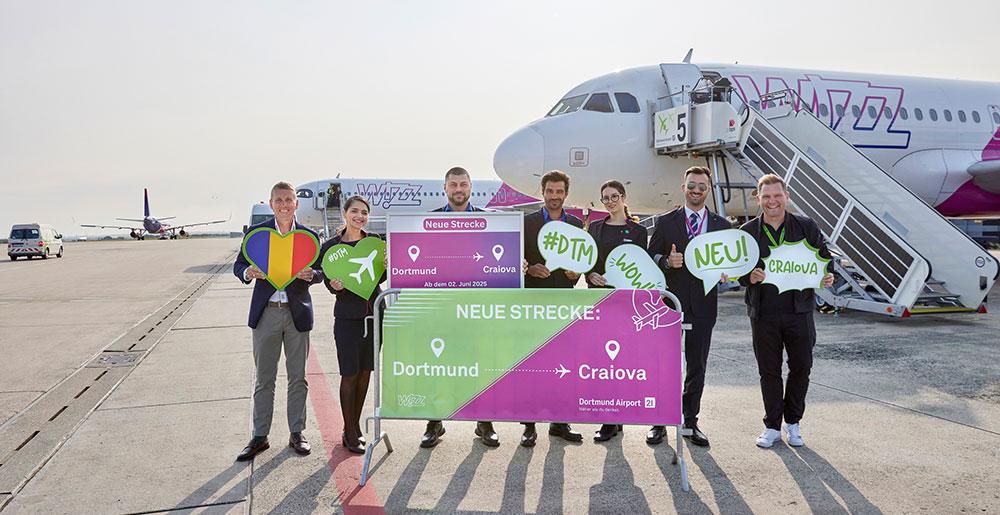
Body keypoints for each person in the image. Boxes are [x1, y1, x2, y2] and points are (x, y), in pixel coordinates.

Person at [739, 173, 834, 448]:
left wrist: (828, 275)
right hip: (763, 312)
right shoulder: (747, 232)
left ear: (787, 196)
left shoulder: (805, 226)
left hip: (799, 311)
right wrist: (749, 277)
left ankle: (793, 422)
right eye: (766, 196)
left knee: (801, 367)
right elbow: (738, 271)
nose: (772, 201)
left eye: (777, 195)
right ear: (758, 199)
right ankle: (772, 425)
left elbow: (825, 259)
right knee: (768, 370)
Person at [234, 181, 324, 461]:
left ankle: (297, 432)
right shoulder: (258, 235)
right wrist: (248, 272)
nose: (284, 205)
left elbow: (322, 269)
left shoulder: (309, 237)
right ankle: (260, 436)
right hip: (267, 313)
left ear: (296, 204)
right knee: (264, 378)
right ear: (270, 204)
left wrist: (314, 276)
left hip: (296, 314)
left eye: (289, 200)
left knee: (298, 378)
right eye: (279, 200)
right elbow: (239, 265)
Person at [646, 166, 732, 447]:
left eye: (702, 187)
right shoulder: (665, 221)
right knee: (665, 365)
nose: (696, 191)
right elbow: (650, 256)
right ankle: (659, 421)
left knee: (697, 366)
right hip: (670, 304)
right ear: (683, 187)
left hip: (704, 306)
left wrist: (728, 273)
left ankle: (690, 421)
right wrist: (665, 262)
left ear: (708, 190)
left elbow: (731, 264)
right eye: (692, 186)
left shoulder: (722, 225)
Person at [419, 167, 500, 448]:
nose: (458, 189)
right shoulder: (429, 222)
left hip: (476, 309)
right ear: (445, 188)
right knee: (438, 365)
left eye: (463, 184)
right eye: (453, 184)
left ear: (470, 187)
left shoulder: (487, 221)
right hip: (441, 310)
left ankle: (484, 422)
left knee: (481, 365)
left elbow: (499, 259)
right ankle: (434, 421)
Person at [520, 169, 585, 447]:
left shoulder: (574, 224)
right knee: (533, 364)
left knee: (562, 364)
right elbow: (517, 260)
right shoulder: (527, 222)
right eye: (550, 191)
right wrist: (529, 269)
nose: (555, 196)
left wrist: (576, 275)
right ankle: (529, 424)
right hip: (534, 300)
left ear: (566, 194)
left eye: (559, 192)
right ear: (543, 192)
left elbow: (580, 263)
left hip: (563, 300)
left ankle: (560, 421)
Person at [321, 196, 386, 454]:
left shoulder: (375, 244)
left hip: (374, 316)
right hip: (347, 318)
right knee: (349, 374)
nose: (360, 216)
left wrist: (389, 266)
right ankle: (349, 431)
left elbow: (379, 276)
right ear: (345, 214)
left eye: (364, 212)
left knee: (365, 373)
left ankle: (355, 427)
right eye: (355, 211)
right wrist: (331, 285)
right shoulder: (330, 247)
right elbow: (324, 277)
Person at [586, 180, 648, 442]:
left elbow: (641, 267)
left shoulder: (638, 231)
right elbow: (587, 263)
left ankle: (619, 413)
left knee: (622, 362)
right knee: (603, 362)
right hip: (601, 301)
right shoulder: (595, 229)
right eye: (605, 198)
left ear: (623, 198)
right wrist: (591, 275)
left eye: (614, 197)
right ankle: (609, 418)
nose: (610, 202)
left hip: (626, 304)